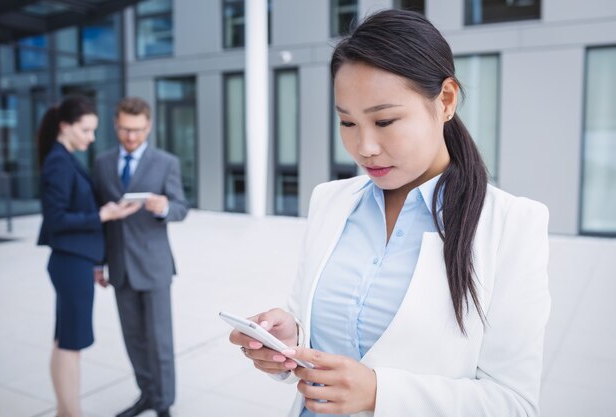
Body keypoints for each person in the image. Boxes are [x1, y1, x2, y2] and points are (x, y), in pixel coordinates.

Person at [229, 9, 550, 417]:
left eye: (384, 120)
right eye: (347, 122)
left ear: (446, 100)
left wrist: (380, 392)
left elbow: (514, 403)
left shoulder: (512, 225)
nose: (364, 147)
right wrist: (290, 338)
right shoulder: (330, 200)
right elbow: (322, 331)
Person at [37, 96, 139, 417]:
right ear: (65, 127)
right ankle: (71, 413)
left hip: (76, 261)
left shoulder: (65, 158)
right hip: (71, 262)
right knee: (71, 344)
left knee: (64, 340)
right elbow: (56, 220)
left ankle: (65, 412)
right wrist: (102, 215)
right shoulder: (58, 161)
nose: (91, 138)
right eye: (85, 130)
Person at [92, 97, 189, 417]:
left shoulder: (166, 162)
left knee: (160, 341)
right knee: (134, 340)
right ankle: (146, 395)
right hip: (120, 267)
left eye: (136, 130)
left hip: (154, 266)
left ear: (148, 127)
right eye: (124, 129)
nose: (130, 137)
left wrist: (164, 208)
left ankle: (163, 403)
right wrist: (97, 262)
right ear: (115, 126)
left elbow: (180, 208)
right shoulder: (102, 162)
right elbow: (98, 220)